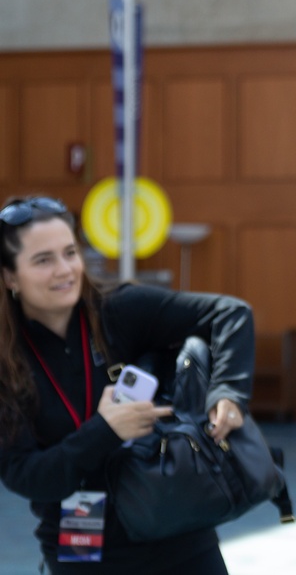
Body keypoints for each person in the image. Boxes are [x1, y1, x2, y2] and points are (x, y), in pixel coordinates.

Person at [0, 195, 255, 575]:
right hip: (82, 543)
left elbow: (231, 313)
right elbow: (29, 476)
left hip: (177, 525)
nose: (65, 270)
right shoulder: (7, 362)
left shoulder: (118, 309)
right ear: (9, 277)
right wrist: (105, 430)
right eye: (43, 260)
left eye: (70, 253)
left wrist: (229, 392)